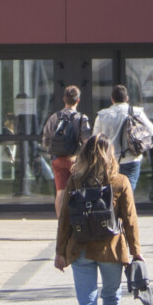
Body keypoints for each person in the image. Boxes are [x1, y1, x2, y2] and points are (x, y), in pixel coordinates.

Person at [53, 135, 144, 305]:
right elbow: (130, 220)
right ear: (110, 155)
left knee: (87, 302)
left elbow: (65, 219)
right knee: (112, 297)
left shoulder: (75, 181)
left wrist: (60, 251)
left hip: (80, 248)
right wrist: (136, 252)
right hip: (111, 250)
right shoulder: (119, 181)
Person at [41, 85, 90, 222]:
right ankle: (79, 221)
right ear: (78, 100)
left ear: (64, 99)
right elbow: (87, 141)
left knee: (60, 192)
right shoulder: (81, 118)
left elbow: (45, 140)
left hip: (57, 160)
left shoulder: (54, 117)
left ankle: (61, 223)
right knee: (79, 190)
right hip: (75, 160)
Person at [95, 82, 153, 192]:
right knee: (128, 192)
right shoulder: (137, 112)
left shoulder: (102, 115)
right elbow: (151, 130)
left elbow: (95, 139)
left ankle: (115, 209)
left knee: (111, 192)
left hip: (110, 159)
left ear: (112, 99)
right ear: (127, 98)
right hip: (132, 157)